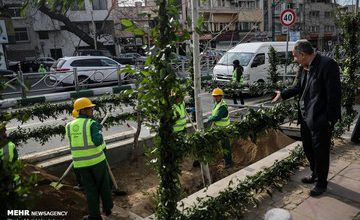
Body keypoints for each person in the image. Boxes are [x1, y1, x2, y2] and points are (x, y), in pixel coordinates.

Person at [272, 39, 341, 197]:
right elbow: (297, 87)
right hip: (305, 117)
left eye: (295, 56)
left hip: (320, 118)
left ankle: (322, 183)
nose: (294, 59)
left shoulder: (327, 64)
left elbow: (334, 95)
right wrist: (282, 94)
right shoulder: (302, 67)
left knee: (321, 152)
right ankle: (315, 174)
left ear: (302, 55)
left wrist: (329, 119)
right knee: (308, 149)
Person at [65, 97, 113, 219]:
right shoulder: (92, 124)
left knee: (90, 190)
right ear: (83, 110)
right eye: (90, 108)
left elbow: (74, 142)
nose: (92, 110)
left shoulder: (69, 126)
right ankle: (108, 208)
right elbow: (98, 141)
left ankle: (95, 216)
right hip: (97, 161)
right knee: (104, 185)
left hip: (81, 164)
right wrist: (99, 132)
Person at [208, 88, 233, 168]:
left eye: (217, 96)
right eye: (214, 96)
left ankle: (229, 163)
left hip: (224, 129)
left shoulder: (222, 106)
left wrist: (209, 118)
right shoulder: (217, 103)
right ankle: (209, 160)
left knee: (226, 146)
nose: (215, 98)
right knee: (210, 142)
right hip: (218, 128)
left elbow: (217, 117)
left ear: (221, 96)